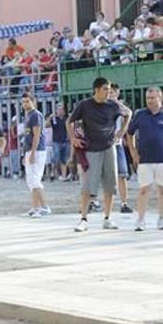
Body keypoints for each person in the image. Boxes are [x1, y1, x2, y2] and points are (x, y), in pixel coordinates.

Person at [66, 77, 132, 232]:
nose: (108, 92)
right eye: (105, 89)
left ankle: (107, 218)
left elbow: (128, 113)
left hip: (109, 147)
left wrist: (121, 132)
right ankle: (83, 219)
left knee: (110, 185)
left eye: (109, 89)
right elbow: (69, 121)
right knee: (88, 186)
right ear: (96, 89)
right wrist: (73, 138)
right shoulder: (85, 105)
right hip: (91, 149)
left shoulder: (113, 104)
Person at [127, 86, 163, 231]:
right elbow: (129, 134)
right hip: (145, 159)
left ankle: (161, 219)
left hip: (162, 159)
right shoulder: (140, 114)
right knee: (143, 190)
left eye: (153, 98)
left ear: (160, 98)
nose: (150, 101)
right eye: (148, 98)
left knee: (162, 190)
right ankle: (140, 220)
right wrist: (133, 152)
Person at [21, 93, 51, 218]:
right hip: (29, 150)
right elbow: (27, 136)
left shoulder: (36, 115)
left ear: (33, 101)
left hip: (37, 150)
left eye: (27, 101)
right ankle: (35, 207)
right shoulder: (27, 116)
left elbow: (37, 135)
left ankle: (45, 207)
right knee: (30, 180)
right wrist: (25, 154)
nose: (25, 104)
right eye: (23, 102)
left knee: (35, 179)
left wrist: (33, 152)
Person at [109, 84, 133, 214]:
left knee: (122, 175)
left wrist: (121, 132)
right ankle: (93, 201)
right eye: (109, 91)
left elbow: (128, 113)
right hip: (103, 144)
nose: (110, 94)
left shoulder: (118, 106)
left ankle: (124, 203)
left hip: (116, 144)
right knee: (102, 176)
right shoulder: (100, 105)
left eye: (112, 92)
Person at [46, 103, 70, 180]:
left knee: (64, 159)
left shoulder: (66, 119)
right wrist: (49, 118)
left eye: (62, 109)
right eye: (59, 109)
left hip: (65, 141)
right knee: (55, 157)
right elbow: (46, 125)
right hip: (56, 141)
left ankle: (64, 176)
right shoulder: (54, 119)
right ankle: (53, 172)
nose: (60, 111)